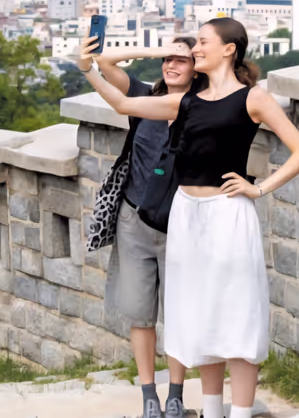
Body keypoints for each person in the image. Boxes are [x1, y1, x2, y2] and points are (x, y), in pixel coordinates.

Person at [79, 18, 299, 418]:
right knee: (200, 315)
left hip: (228, 215)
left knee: (236, 314)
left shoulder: (252, 99)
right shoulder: (186, 103)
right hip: (187, 215)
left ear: (229, 49)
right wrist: (86, 69)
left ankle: (237, 413)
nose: (194, 50)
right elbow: (122, 104)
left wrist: (258, 188)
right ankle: (211, 411)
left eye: (202, 42)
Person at [78, 37, 207, 418]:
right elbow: (105, 63)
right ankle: (149, 397)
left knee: (180, 315)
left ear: (196, 67)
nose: (172, 65)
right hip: (133, 219)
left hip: (181, 223)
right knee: (140, 315)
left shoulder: (202, 108)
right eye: (168, 59)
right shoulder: (143, 96)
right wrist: (161, 51)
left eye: (181, 61)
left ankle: (176, 398)